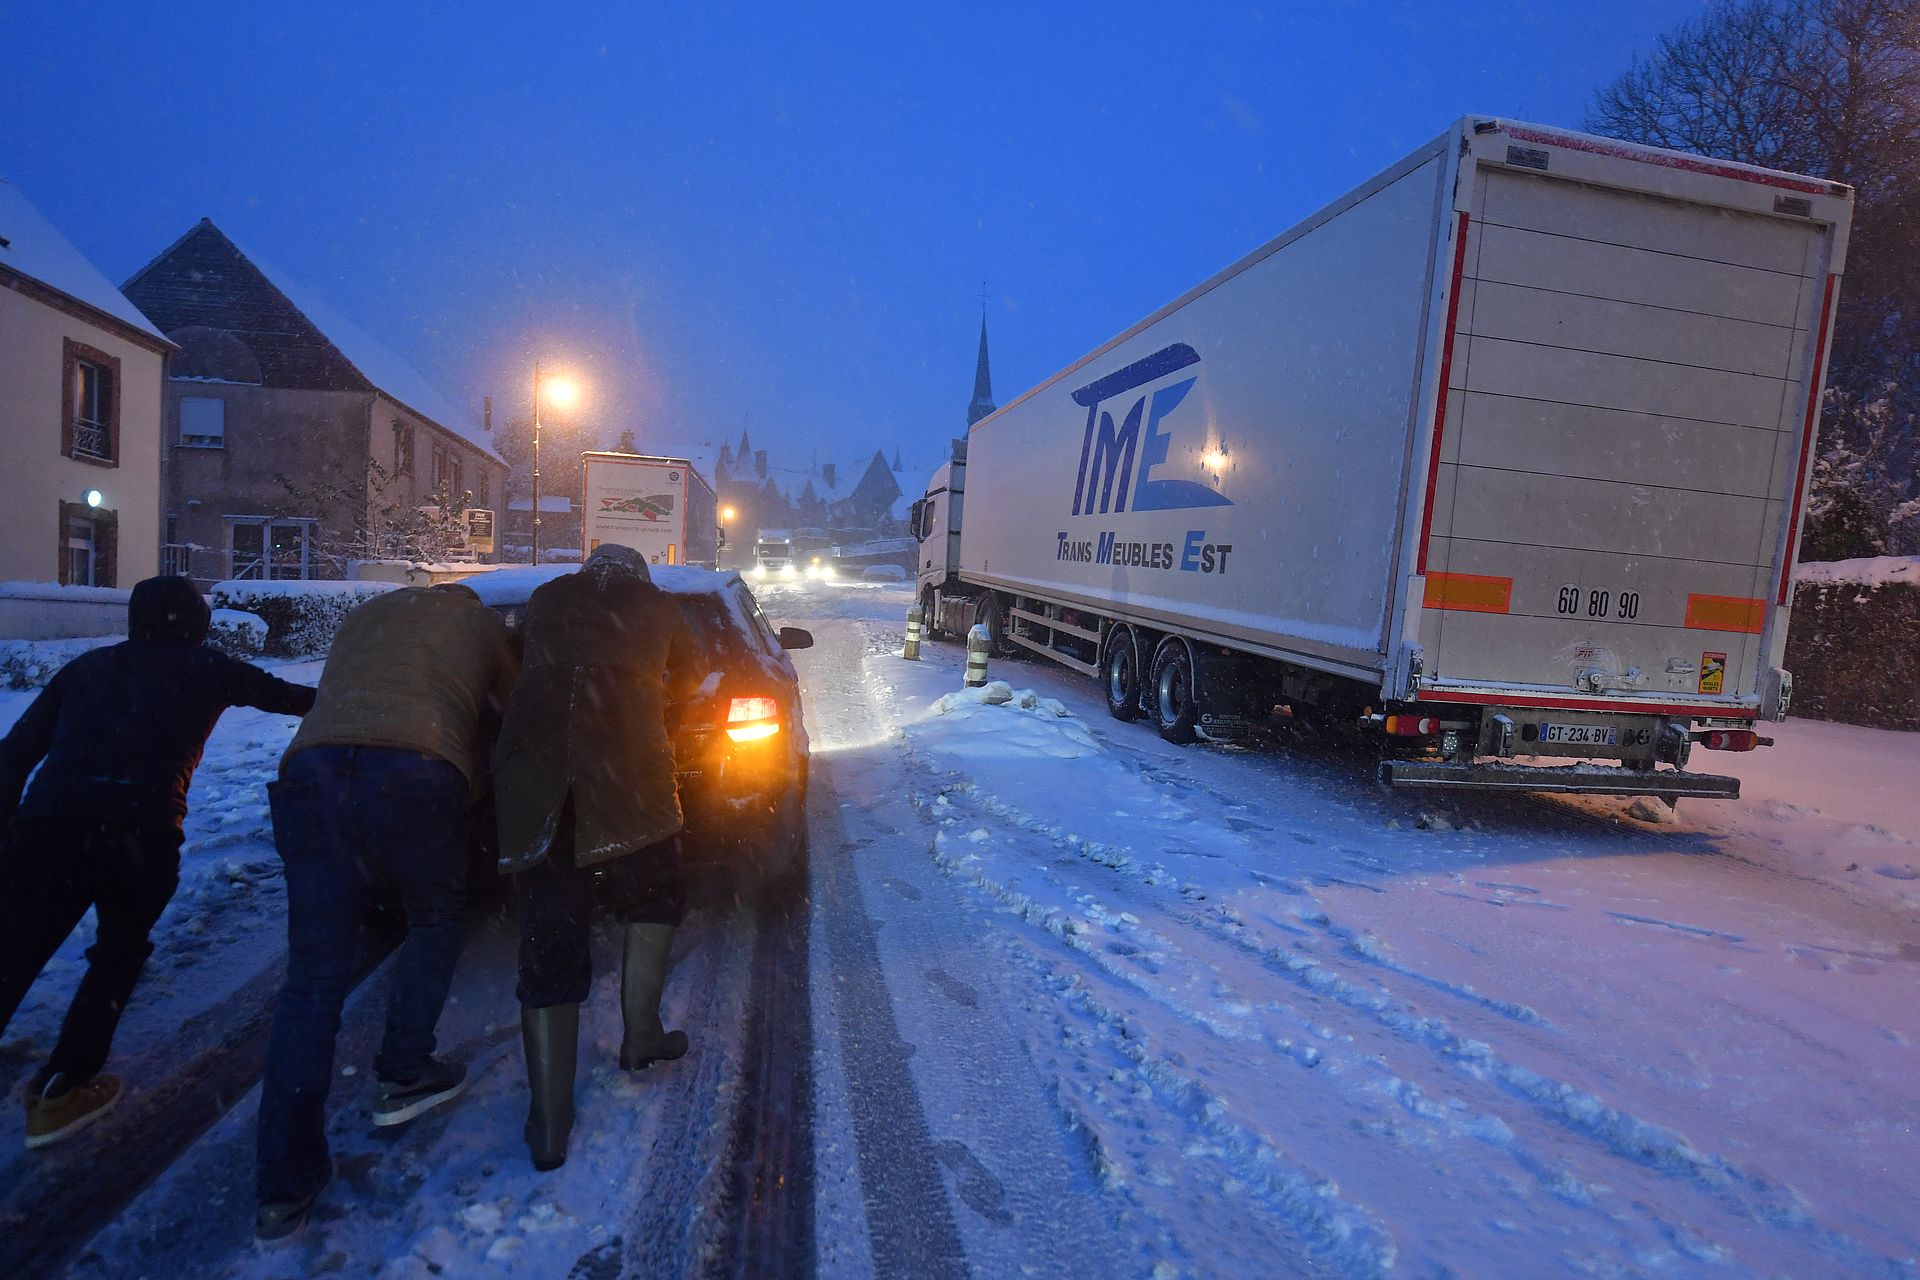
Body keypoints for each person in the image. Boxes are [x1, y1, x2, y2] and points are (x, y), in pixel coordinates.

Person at [0, 575, 315, 1150]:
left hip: (50, 828)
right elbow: (296, 700)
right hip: (141, 834)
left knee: (16, 946)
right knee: (117, 954)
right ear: (198, 623)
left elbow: (14, 754)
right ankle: (62, 1090)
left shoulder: (86, 670)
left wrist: (11, 833)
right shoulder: (211, 668)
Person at [253, 582, 517, 1244]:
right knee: (434, 916)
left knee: (313, 977)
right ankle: (403, 1070)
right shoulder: (480, 626)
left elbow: (338, 691)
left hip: (313, 769)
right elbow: (513, 710)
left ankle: (283, 1182)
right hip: (416, 767)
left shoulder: (366, 616)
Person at [494, 544, 703, 1171]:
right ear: (638, 575)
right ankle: (641, 1034)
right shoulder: (659, 607)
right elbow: (688, 679)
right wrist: (638, 699)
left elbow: (518, 660)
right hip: (629, 771)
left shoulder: (548, 597)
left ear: (588, 569)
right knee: (656, 890)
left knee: (551, 928)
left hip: (534, 773)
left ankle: (549, 1122)